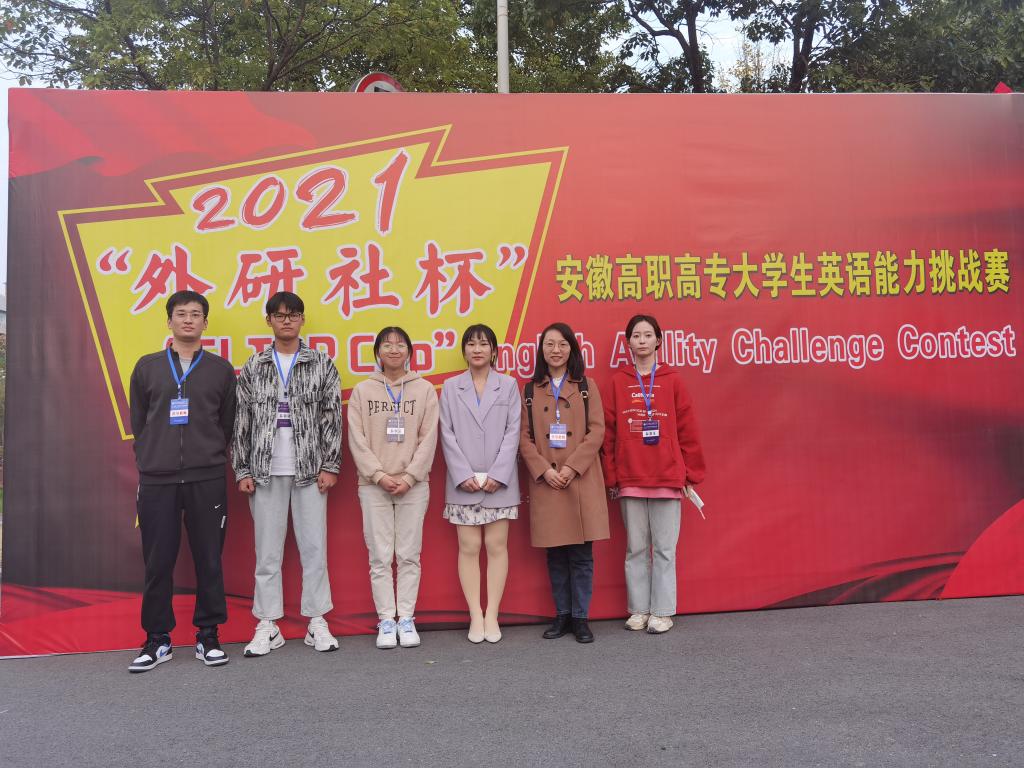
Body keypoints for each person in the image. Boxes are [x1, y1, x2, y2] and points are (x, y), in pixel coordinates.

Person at [127, 290, 237, 673]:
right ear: (169, 321)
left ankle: (209, 635)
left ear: (205, 322)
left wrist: (208, 453)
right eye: (181, 314)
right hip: (157, 479)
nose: (188, 320)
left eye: (195, 314)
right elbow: (139, 421)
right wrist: (151, 458)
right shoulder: (148, 367)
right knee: (158, 562)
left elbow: (226, 423)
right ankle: (157, 639)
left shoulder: (220, 370)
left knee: (209, 559)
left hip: (207, 477)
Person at [232, 291, 343, 657]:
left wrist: (330, 465)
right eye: (279, 315)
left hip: (309, 470)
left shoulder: (320, 363)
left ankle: (317, 621)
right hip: (264, 470)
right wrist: (242, 468)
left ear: (302, 319)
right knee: (267, 553)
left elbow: (332, 417)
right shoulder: (254, 366)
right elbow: (242, 421)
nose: (286, 321)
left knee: (314, 549)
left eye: (293, 314)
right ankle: (267, 624)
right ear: (269, 321)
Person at [601, 314, 706, 634]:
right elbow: (608, 431)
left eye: (648, 335)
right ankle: (639, 609)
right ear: (628, 343)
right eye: (636, 336)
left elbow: (687, 428)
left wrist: (690, 472)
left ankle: (662, 611)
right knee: (635, 548)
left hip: (667, 476)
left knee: (664, 549)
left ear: (658, 341)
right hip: (630, 477)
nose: (642, 340)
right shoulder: (617, 382)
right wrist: (611, 474)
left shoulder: (673, 380)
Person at [348, 327, 439, 649]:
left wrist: (410, 476)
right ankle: (387, 619)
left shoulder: (424, 390)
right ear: (378, 353)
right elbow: (356, 439)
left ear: (410, 352)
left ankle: (407, 618)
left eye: (400, 345)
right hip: (373, 485)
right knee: (380, 557)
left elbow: (429, 438)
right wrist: (378, 475)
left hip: (414, 486)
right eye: (387, 345)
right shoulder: (362, 391)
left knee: (409, 555)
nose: (394, 350)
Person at [519, 322, 608, 643]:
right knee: (555, 555)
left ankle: (581, 618)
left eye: (562, 344)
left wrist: (572, 467)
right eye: (549, 344)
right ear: (541, 350)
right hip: (547, 482)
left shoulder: (586, 386)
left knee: (582, 556)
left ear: (572, 349)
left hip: (579, 479)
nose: (556, 350)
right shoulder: (531, 390)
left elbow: (597, 431)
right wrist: (544, 470)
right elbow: (524, 438)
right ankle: (562, 616)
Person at [439, 324, 521, 644]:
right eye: (471, 344)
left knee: (497, 546)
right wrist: (463, 474)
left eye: (484, 344)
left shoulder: (509, 385)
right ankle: (475, 613)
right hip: (464, 482)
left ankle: (492, 614)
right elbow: (446, 433)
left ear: (494, 351)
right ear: (464, 350)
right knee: (469, 547)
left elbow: (513, 431)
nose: (477, 349)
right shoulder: (451, 387)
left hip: (500, 482)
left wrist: (499, 473)